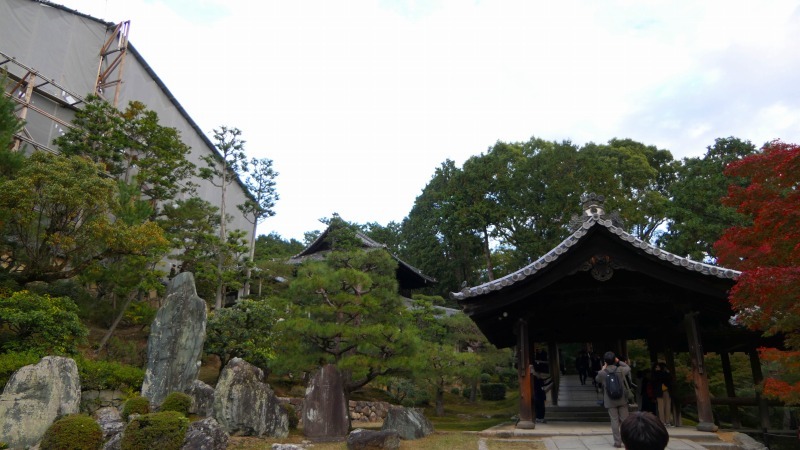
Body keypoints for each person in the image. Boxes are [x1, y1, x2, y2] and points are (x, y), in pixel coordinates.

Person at [596, 351, 631, 448]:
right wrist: (619, 361)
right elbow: (628, 368)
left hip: (610, 400)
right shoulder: (620, 370)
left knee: (614, 420)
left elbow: (597, 379)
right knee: (625, 420)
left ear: (605, 361)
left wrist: (603, 368)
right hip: (622, 399)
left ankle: (617, 442)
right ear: (614, 359)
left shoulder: (602, 373)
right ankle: (627, 441)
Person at [652, 362, 674, 427]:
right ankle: (663, 421)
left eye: (658, 367)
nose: (657, 368)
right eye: (656, 367)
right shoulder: (655, 374)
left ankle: (667, 421)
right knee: (661, 407)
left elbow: (669, 379)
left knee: (667, 406)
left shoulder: (665, 373)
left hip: (665, 390)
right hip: (660, 391)